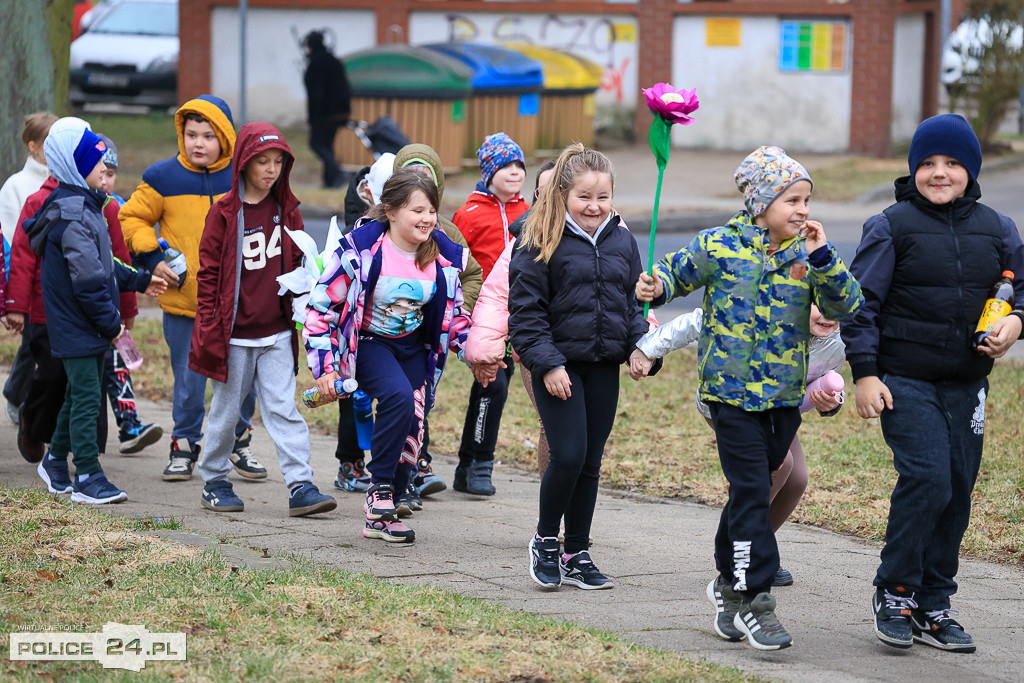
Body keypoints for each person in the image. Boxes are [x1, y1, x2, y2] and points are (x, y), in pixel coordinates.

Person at [635, 145, 863, 650]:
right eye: (792, 200)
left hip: (782, 400)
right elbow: (675, 273)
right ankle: (754, 601)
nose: (802, 210)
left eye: (806, 200)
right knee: (754, 490)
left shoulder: (807, 257)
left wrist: (824, 257)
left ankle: (725, 581)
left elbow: (849, 304)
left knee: (748, 494)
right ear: (761, 203)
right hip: (730, 396)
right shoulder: (718, 245)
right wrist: (656, 285)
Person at [843, 114, 1024, 653]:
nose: (939, 172)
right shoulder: (890, 226)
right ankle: (895, 591)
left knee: (957, 490)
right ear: (912, 170)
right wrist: (866, 374)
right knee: (928, 479)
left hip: (967, 385)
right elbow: (860, 307)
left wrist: (1016, 322)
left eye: (951, 163)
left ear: (971, 170)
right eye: (926, 163)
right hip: (904, 379)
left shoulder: (999, 229)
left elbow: (1021, 289)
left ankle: (933, 601)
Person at [509, 143, 649, 592]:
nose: (594, 206)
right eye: (584, 197)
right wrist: (549, 364)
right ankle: (545, 541)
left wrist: (642, 348)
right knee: (567, 455)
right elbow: (525, 315)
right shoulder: (538, 238)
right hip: (558, 366)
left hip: (603, 365)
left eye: (602, 197)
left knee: (589, 461)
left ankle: (576, 552)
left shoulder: (622, 240)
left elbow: (631, 306)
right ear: (563, 195)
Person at [305, 169, 470, 543]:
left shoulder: (442, 258)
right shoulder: (361, 251)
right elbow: (320, 307)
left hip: (414, 348)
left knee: (414, 421)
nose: (427, 219)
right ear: (391, 211)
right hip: (369, 343)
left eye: (432, 211)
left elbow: (456, 315)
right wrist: (325, 368)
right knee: (397, 397)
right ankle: (378, 489)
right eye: (417, 210)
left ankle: (386, 509)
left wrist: (477, 352)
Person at [631, 304, 846, 587]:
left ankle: (756, 550)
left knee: (797, 480)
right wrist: (648, 349)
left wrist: (832, 402)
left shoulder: (835, 343)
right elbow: (698, 322)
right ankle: (736, 558)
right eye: (821, 305)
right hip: (728, 400)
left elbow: (822, 383)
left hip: (773, 410)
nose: (829, 316)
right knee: (778, 467)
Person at [189, 122, 336, 517]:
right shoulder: (223, 213)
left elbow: (303, 265)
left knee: (283, 408)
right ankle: (215, 480)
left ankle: (301, 485)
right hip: (234, 338)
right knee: (226, 412)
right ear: (243, 163)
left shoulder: (288, 210)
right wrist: (209, 327)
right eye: (262, 162)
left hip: (276, 335)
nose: (271, 170)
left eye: (278, 162)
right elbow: (208, 275)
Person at [119, 95, 264, 483]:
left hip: (238, 303)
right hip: (185, 303)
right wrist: (152, 258)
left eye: (208, 136)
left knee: (240, 379)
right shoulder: (162, 177)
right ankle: (183, 446)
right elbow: (129, 218)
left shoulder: (242, 176)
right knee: (188, 381)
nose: (198, 143)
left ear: (226, 138)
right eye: (191, 134)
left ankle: (238, 441)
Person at [30, 119, 166, 504]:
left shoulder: (87, 205)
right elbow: (89, 284)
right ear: (75, 167)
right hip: (78, 324)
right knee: (88, 399)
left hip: (86, 324)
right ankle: (87, 474)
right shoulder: (74, 214)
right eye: (96, 161)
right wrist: (111, 325)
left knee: (79, 394)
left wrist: (140, 280)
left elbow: (105, 265)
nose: (104, 166)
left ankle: (55, 460)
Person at [5, 118, 140, 464]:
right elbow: (22, 255)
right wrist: (16, 304)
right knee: (52, 377)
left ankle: (83, 453)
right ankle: (34, 426)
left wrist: (127, 307)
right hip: (45, 310)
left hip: (92, 313)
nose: (103, 172)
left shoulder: (106, 205)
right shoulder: (40, 201)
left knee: (87, 385)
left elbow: (116, 260)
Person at [465, 159, 556, 477]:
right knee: (548, 423)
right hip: (531, 340)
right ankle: (476, 465)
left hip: (587, 346)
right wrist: (484, 349)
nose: (551, 198)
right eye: (542, 191)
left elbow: (626, 283)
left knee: (584, 435)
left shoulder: (607, 228)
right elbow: (496, 290)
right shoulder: (525, 235)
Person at [452, 132, 529, 496]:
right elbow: (456, 266)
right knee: (492, 384)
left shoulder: (529, 213)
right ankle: (481, 464)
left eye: (519, 165)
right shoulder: (468, 215)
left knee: (491, 388)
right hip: (482, 318)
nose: (514, 172)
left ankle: (466, 466)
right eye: (505, 166)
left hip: (519, 315)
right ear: (488, 172)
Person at [93, 133, 163, 454]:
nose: (105, 180)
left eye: (111, 173)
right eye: (100, 172)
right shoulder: (75, 206)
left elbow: (125, 261)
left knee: (118, 361)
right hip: (79, 309)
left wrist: (129, 309)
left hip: (112, 308)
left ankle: (129, 425)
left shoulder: (118, 208)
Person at [1, 111, 58, 424]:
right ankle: (16, 394)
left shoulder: (66, 181)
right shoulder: (16, 186)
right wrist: (16, 296)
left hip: (56, 278)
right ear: (33, 146)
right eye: (49, 141)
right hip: (29, 278)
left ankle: (24, 395)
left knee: (43, 341)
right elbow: (13, 240)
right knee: (33, 340)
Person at [302, 30, 351, 189]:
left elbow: (316, 93)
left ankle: (337, 173)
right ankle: (330, 181)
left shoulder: (316, 64)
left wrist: (313, 117)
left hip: (325, 113)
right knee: (327, 145)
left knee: (316, 143)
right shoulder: (333, 60)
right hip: (340, 111)